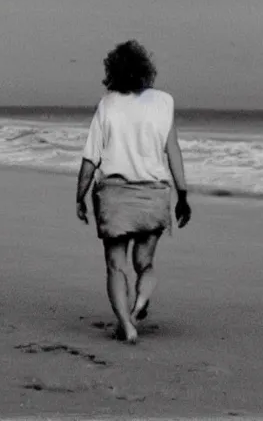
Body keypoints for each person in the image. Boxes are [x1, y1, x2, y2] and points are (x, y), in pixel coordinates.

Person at [75, 40, 191, 344]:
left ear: (112, 71)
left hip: (114, 196)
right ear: (145, 68)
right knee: (145, 263)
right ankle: (140, 303)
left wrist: (79, 196)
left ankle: (126, 325)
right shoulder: (164, 102)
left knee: (116, 264)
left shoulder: (108, 104)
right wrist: (183, 194)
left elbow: (91, 158)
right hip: (153, 195)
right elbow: (173, 151)